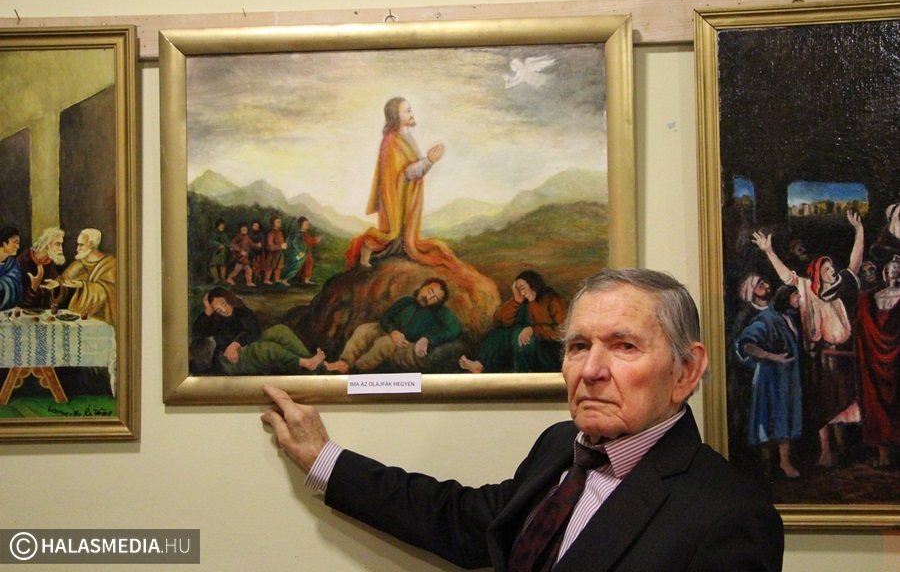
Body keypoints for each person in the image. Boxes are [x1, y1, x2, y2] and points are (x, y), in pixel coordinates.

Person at [261, 268, 784, 571]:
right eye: (577, 346)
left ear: (686, 370)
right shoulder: (562, 446)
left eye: (624, 346)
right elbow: (459, 518)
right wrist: (324, 459)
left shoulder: (730, 518)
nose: (591, 370)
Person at [753, 211, 864, 467]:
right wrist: (769, 251)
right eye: (827, 269)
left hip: (842, 357)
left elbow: (855, 263)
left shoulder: (842, 288)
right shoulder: (807, 290)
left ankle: (842, 451)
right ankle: (826, 451)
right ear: (817, 273)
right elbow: (786, 276)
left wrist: (859, 231)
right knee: (822, 405)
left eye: (832, 268)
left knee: (846, 403)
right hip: (819, 357)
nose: (832, 271)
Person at [345, 97, 460, 270]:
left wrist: (428, 161)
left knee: (404, 239)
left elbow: (412, 167)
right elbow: (405, 173)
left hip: (406, 196)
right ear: (395, 116)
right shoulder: (391, 141)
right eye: (407, 111)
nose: (412, 114)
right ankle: (367, 246)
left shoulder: (405, 137)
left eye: (410, 109)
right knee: (392, 233)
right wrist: (429, 160)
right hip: (395, 198)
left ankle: (392, 253)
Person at [735, 284, 803, 478]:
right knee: (769, 419)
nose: (799, 297)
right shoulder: (766, 319)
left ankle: (784, 463)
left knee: (786, 417)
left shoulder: (789, 317)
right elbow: (745, 344)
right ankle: (767, 467)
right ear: (786, 297)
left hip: (788, 378)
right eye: (796, 294)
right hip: (770, 378)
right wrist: (773, 357)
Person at [324, 278, 462, 373]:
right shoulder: (406, 301)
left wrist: (427, 338)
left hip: (409, 344)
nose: (429, 298)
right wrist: (393, 331)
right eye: (430, 291)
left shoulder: (440, 312)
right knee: (364, 330)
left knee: (384, 344)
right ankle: (344, 363)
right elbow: (385, 318)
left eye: (435, 298)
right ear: (422, 287)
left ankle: (354, 371)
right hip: (392, 333)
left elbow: (455, 329)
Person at [190, 287, 325, 375]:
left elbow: (255, 331)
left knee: (280, 330)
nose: (224, 310)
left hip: (242, 347)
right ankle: (305, 363)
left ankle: (313, 361)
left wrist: (236, 343)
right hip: (229, 360)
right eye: (218, 309)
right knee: (267, 348)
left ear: (229, 299)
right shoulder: (216, 320)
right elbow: (198, 331)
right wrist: (208, 311)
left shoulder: (242, 311)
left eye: (224, 304)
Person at [459, 270, 567, 373]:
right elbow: (500, 319)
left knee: (521, 337)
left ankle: (523, 375)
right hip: (523, 342)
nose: (522, 293)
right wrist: (516, 300)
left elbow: (563, 331)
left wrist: (533, 330)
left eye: (522, 288)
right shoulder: (524, 302)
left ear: (533, 285)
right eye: (519, 290)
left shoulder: (553, 300)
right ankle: (480, 365)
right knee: (499, 334)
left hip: (548, 349)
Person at [855, 256, 900, 468]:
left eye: (898, 267)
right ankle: (883, 454)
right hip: (875, 358)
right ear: (885, 272)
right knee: (876, 400)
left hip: (898, 361)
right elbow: (863, 328)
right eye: (891, 267)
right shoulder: (870, 299)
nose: (895, 270)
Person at [42, 228, 117, 325]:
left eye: (81, 245)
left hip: (101, 317)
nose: (78, 249)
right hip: (80, 315)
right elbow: (65, 278)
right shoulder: (80, 263)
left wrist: (82, 285)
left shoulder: (110, 264)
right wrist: (57, 283)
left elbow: (108, 291)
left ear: (91, 244)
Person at [16, 226, 65, 309]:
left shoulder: (50, 261)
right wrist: (34, 286)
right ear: (46, 244)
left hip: (45, 311)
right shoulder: (23, 260)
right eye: (58, 244)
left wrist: (57, 283)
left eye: (61, 244)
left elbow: (58, 279)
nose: (61, 249)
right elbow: (18, 300)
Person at [283, 216, 322, 285]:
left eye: (308, 224)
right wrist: (315, 240)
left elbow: (308, 242)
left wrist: (315, 240)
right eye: (306, 224)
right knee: (295, 265)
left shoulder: (306, 234)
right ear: (301, 225)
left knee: (309, 263)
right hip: (300, 253)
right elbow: (296, 243)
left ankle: (306, 279)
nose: (307, 225)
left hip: (306, 252)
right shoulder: (298, 234)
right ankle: (285, 279)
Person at [226, 223, 260, 287]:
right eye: (243, 229)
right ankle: (229, 279)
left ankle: (249, 282)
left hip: (245, 257)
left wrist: (257, 245)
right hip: (240, 256)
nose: (244, 230)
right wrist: (240, 250)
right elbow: (233, 244)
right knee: (237, 270)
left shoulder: (247, 237)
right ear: (240, 230)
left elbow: (251, 243)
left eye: (245, 229)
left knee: (248, 270)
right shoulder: (238, 236)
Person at [0, 226, 23, 310]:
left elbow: (17, 287)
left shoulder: (13, 264)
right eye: (15, 242)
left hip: (8, 311)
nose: (18, 247)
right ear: (4, 243)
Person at [263, 215, 288, 286]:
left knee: (279, 266)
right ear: (273, 223)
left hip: (279, 252)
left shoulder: (279, 232)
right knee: (270, 266)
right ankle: (266, 280)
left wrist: (284, 245)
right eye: (278, 222)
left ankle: (277, 279)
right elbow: (270, 246)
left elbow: (282, 242)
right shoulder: (271, 233)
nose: (280, 223)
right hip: (273, 253)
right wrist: (280, 246)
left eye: (280, 222)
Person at [207, 218, 229, 283]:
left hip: (222, 252)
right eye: (221, 225)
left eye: (223, 225)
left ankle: (223, 279)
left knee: (222, 264)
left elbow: (227, 243)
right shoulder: (215, 233)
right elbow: (211, 241)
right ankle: (216, 278)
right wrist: (218, 245)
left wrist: (229, 246)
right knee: (212, 265)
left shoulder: (224, 234)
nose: (222, 226)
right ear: (217, 226)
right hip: (216, 251)